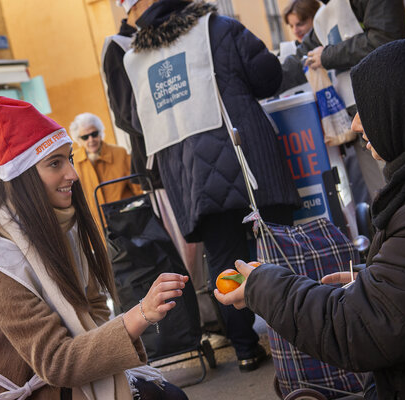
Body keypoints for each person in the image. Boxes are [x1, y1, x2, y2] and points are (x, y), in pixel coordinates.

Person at [215, 39, 405, 398]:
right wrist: (372, 281)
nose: (357, 124)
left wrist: (260, 285)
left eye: (366, 108)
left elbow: (358, 329)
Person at [0, 97, 190, 400]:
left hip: (65, 381)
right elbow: (56, 361)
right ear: (23, 177)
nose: (73, 174)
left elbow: (95, 307)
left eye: (69, 158)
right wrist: (141, 313)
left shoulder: (60, 229)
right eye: (54, 163)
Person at [123, 0, 300, 371]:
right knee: (278, 243)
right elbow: (266, 74)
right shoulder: (217, 26)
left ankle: (246, 349)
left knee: (223, 258)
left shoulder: (137, 61)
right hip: (247, 156)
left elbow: (136, 121)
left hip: (192, 177)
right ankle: (301, 336)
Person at [104, 0, 207, 324]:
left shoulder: (166, 31)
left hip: (189, 155)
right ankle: (196, 323)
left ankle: (212, 315)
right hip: (158, 167)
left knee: (202, 244)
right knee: (183, 251)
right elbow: (125, 114)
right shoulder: (118, 46)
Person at [292, 0, 405, 203]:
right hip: (358, 116)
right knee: (382, 196)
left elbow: (385, 38)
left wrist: (328, 55)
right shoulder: (324, 13)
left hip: (391, 110)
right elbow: (299, 58)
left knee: (403, 193)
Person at [68, 112, 141, 230]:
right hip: (96, 226)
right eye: (85, 137)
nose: (91, 139)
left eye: (94, 134)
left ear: (100, 133)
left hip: (127, 222)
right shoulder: (73, 162)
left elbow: (137, 188)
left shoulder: (119, 153)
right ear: (78, 139)